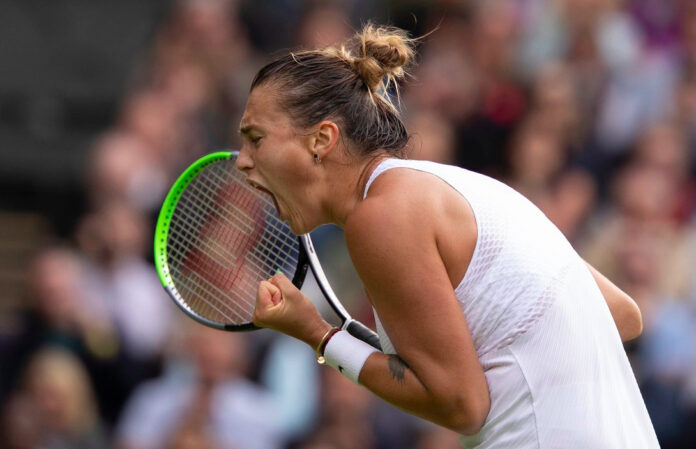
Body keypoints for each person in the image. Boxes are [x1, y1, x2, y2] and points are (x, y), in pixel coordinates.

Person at [234, 24, 659, 447]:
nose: (242, 161)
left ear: (322, 139)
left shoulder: (380, 217)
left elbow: (463, 407)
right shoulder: (468, 190)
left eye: (256, 139)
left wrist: (318, 334)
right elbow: (621, 315)